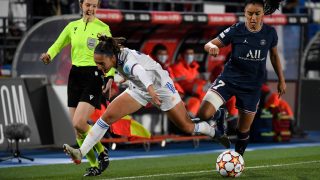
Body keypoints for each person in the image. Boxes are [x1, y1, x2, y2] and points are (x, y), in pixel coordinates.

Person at [62, 36, 231, 165]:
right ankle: (81, 153)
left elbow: (139, 71)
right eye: (96, 64)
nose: (99, 67)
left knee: (186, 125)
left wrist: (150, 89)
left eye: (101, 63)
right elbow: (131, 75)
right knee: (107, 117)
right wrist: (116, 81)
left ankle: (212, 130)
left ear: (111, 57)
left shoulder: (127, 61)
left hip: (161, 88)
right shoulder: (116, 59)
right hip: (139, 89)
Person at [198, 0, 286, 156]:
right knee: (203, 114)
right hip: (228, 80)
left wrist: (281, 79)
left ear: (263, 14)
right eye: (249, 14)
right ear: (245, 14)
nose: (253, 18)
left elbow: (274, 55)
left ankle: (238, 159)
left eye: (257, 14)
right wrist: (212, 47)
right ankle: (219, 116)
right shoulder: (236, 29)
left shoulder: (270, 33)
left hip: (251, 87)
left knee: (243, 130)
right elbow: (209, 44)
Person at [40, 0, 114, 176]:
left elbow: (111, 55)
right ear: (81, 5)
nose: (91, 9)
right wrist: (49, 55)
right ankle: (95, 164)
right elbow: (58, 43)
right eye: (88, 5)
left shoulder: (103, 28)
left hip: (93, 75)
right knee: (77, 130)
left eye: (95, 6)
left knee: (79, 122)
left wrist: (110, 76)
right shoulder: (72, 27)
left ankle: (103, 153)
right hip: (75, 76)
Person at [170, 46, 208, 118]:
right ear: (182, 55)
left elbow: (196, 80)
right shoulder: (176, 67)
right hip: (181, 94)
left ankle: (204, 117)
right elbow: (181, 84)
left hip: (192, 94)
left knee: (206, 92)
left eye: (191, 54)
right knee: (196, 100)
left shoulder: (194, 67)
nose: (189, 56)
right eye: (187, 54)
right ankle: (192, 120)